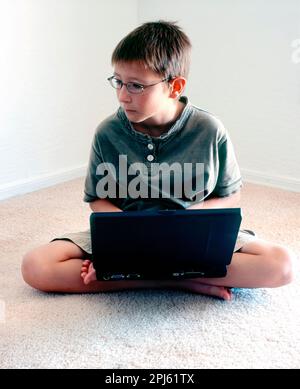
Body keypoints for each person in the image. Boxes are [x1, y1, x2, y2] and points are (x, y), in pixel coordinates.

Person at [22, 21, 294, 300]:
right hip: (127, 236)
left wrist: (186, 221)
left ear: (174, 87)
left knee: (281, 265)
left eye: (136, 86)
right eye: (118, 82)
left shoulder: (210, 130)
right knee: (36, 266)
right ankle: (180, 280)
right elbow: (97, 200)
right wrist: (129, 241)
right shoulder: (108, 133)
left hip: (192, 238)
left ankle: (129, 275)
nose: (122, 96)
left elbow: (230, 195)